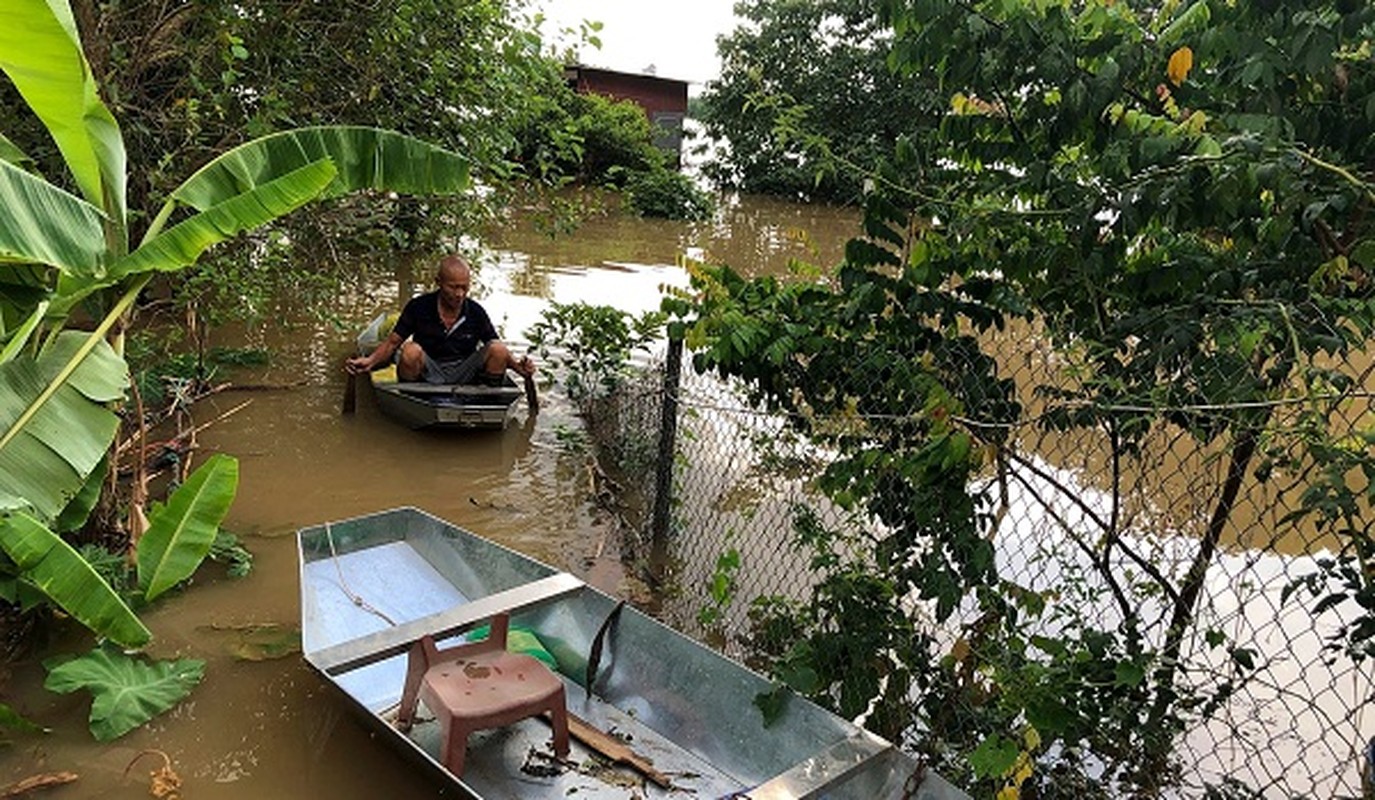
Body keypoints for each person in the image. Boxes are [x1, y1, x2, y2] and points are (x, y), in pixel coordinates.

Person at [346, 254, 535, 384]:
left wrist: (519, 368)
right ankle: (415, 399)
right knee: (410, 351)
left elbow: (496, 348)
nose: (460, 294)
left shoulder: (476, 312)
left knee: (498, 349)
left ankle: (485, 401)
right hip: (429, 369)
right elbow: (392, 342)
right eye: (453, 287)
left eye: (464, 287)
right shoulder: (418, 307)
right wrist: (369, 361)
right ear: (438, 283)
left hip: (464, 371)